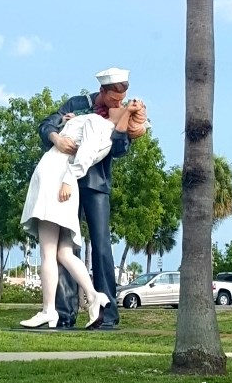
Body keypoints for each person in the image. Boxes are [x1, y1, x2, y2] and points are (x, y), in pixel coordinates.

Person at [19, 100, 146, 330]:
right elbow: (49, 123)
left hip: (65, 179)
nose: (120, 102)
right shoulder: (85, 109)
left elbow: (97, 152)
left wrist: (69, 176)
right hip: (67, 180)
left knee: (58, 251)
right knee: (64, 252)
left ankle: (52, 310)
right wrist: (61, 131)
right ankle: (85, 300)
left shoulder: (101, 123)